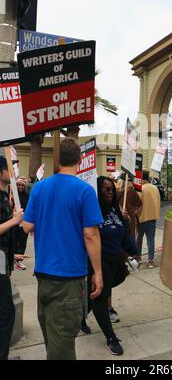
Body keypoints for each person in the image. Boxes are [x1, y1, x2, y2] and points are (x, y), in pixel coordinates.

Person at [22, 138, 103, 360]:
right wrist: (98, 272)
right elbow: (91, 234)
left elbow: (27, 225)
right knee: (62, 348)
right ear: (79, 159)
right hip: (68, 278)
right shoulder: (85, 191)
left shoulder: (39, 188)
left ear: (57, 160)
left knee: (53, 340)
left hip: (44, 277)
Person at [85, 176, 137, 355]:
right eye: (106, 189)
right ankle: (111, 338)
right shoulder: (91, 212)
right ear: (97, 191)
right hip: (98, 261)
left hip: (116, 263)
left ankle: (82, 312)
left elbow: (123, 235)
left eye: (112, 190)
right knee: (100, 296)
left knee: (105, 287)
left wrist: (133, 248)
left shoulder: (116, 211)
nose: (110, 193)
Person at [0, 156, 24, 360]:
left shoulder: (2, 197)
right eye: (10, 168)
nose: (14, 172)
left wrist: (12, 254)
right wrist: (15, 220)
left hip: (2, 260)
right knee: (6, 313)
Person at [136, 170, 160, 269]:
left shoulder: (140, 189)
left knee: (138, 240)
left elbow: (137, 204)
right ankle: (150, 261)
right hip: (152, 217)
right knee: (151, 240)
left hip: (141, 218)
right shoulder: (155, 188)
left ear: (141, 178)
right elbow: (158, 202)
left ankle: (138, 259)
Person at [14, 178, 30, 270]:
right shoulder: (12, 196)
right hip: (13, 223)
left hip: (24, 223)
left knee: (23, 241)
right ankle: (13, 258)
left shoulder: (28, 196)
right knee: (14, 240)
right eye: (18, 185)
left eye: (22, 185)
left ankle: (19, 261)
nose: (20, 187)